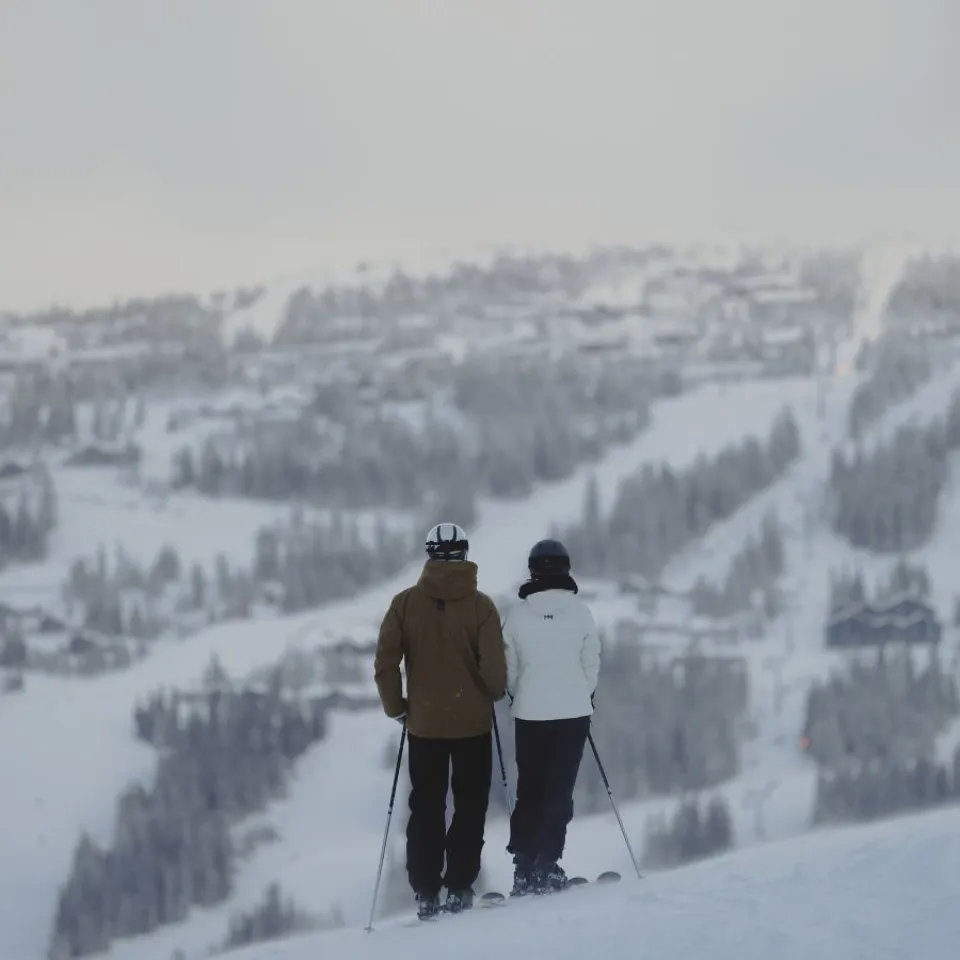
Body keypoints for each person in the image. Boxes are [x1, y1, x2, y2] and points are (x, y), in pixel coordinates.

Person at [374, 522, 507, 919]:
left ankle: (426, 891)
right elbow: (496, 673)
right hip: (473, 724)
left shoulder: (404, 604)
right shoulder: (481, 606)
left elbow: (385, 663)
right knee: (470, 806)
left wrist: (396, 706)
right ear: (464, 553)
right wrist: (490, 693)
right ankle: (460, 886)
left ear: (429, 554)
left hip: (425, 726)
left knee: (426, 807)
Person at [501, 538, 601, 896]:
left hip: (529, 714)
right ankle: (548, 864)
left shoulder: (517, 615)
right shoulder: (581, 613)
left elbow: (508, 671)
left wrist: (519, 695)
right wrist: (582, 695)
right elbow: (591, 665)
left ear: (532, 570)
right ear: (566, 569)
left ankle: (523, 865)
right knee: (559, 789)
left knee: (530, 788)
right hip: (573, 714)